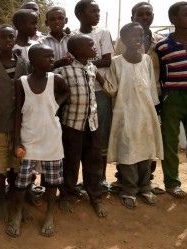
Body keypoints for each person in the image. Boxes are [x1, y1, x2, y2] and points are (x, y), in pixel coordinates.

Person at [8, 44, 70, 238]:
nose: (52, 60)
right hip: (30, 138)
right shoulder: (22, 82)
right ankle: (16, 214)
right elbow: (17, 112)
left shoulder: (56, 79)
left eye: (52, 57)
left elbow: (66, 92)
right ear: (34, 61)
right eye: (47, 57)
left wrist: (55, 104)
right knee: (22, 182)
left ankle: (49, 215)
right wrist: (17, 141)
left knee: (52, 182)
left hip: (51, 138)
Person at [101, 22, 163, 208]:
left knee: (146, 150)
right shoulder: (116, 62)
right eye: (134, 36)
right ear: (125, 39)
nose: (139, 39)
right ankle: (129, 189)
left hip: (146, 114)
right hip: (125, 114)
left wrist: (154, 111)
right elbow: (111, 89)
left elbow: (151, 89)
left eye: (141, 35)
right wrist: (95, 75)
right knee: (128, 152)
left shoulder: (146, 60)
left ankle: (145, 187)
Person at [112, 2, 164, 194]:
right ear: (132, 17)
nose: (145, 17)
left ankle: (146, 181)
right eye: (140, 14)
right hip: (128, 100)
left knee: (147, 137)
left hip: (152, 96)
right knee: (128, 138)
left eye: (148, 14)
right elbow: (118, 68)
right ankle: (125, 180)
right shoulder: (122, 41)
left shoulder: (159, 40)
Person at [55, 34, 107, 217]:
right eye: (91, 45)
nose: (95, 49)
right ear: (78, 51)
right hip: (72, 123)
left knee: (94, 161)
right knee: (70, 161)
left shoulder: (92, 67)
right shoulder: (64, 71)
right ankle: (66, 195)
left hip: (92, 123)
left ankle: (95, 196)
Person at [0, 24, 27, 221]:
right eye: (4, 37)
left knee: (18, 163)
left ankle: (18, 201)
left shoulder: (24, 65)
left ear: (15, 39)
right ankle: (1, 198)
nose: (8, 40)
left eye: (11, 37)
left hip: (21, 123)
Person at [154, 1, 187, 198]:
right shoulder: (162, 46)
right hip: (172, 97)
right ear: (173, 19)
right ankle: (172, 183)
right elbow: (160, 74)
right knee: (169, 141)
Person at [74, 0, 114, 190]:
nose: (97, 14)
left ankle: (101, 178)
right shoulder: (72, 36)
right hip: (80, 94)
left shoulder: (103, 33)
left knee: (100, 138)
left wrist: (85, 64)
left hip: (99, 93)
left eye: (98, 11)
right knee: (82, 139)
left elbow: (107, 60)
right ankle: (83, 181)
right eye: (93, 11)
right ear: (80, 15)